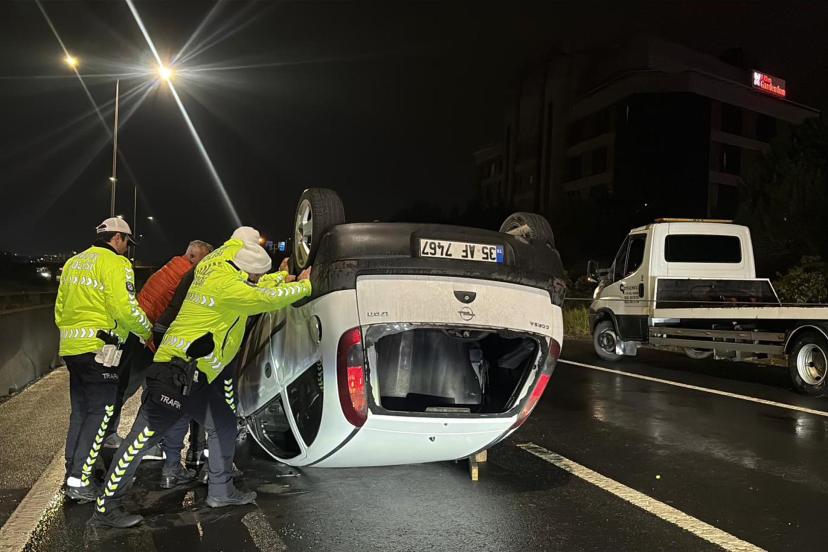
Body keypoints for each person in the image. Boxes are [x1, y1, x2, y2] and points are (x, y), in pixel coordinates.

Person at [91, 229, 312, 528]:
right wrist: (305, 286)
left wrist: (278, 277)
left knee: (222, 425)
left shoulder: (220, 262)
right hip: (176, 370)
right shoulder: (227, 286)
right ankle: (107, 506)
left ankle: (222, 491)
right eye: (257, 275)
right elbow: (261, 298)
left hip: (202, 373)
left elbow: (255, 285)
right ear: (245, 269)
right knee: (141, 439)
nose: (258, 278)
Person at [55, 217, 153, 503]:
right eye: (127, 243)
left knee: (82, 413)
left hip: (72, 348)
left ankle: (72, 473)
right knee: (102, 413)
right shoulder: (116, 264)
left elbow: (60, 307)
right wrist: (145, 331)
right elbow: (125, 308)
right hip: (100, 348)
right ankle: (80, 481)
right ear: (118, 238)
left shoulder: (74, 262)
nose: (127, 249)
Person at [105, 240, 214, 450]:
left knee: (132, 387)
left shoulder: (171, 266)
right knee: (146, 388)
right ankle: (124, 437)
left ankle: (119, 434)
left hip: (137, 332)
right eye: (204, 259)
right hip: (147, 336)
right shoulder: (187, 275)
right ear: (192, 256)